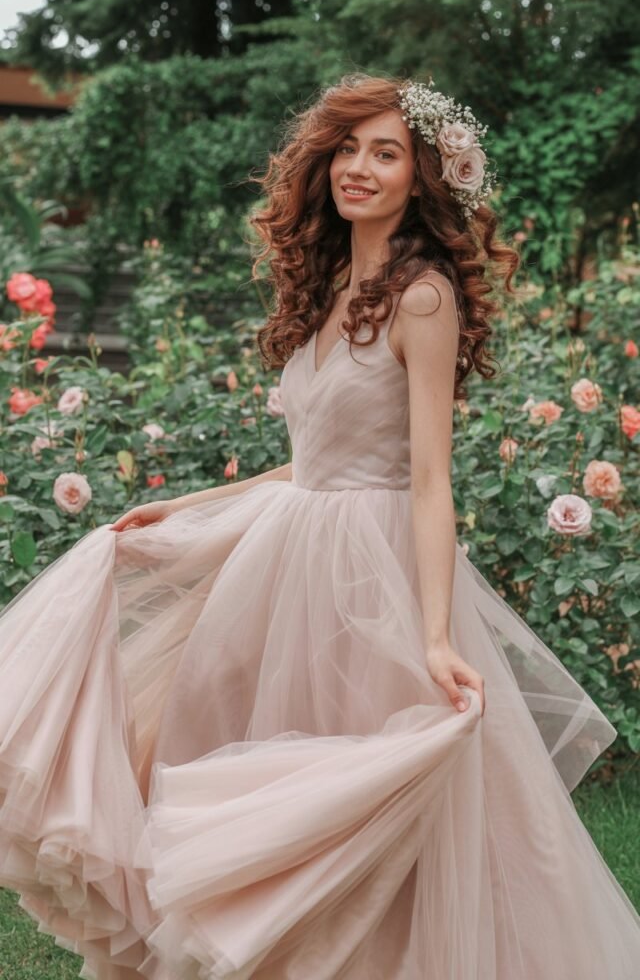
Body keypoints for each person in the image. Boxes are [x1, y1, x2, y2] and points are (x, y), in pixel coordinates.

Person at [0, 73, 638, 980]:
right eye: (347, 148)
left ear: (420, 177)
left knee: (355, 791)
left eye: (386, 153)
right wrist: (181, 508)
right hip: (286, 547)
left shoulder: (422, 297)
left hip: (369, 570)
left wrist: (431, 632)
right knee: (242, 747)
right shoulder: (335, 284)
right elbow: (313, 456)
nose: (360, 168)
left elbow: (426, 479)